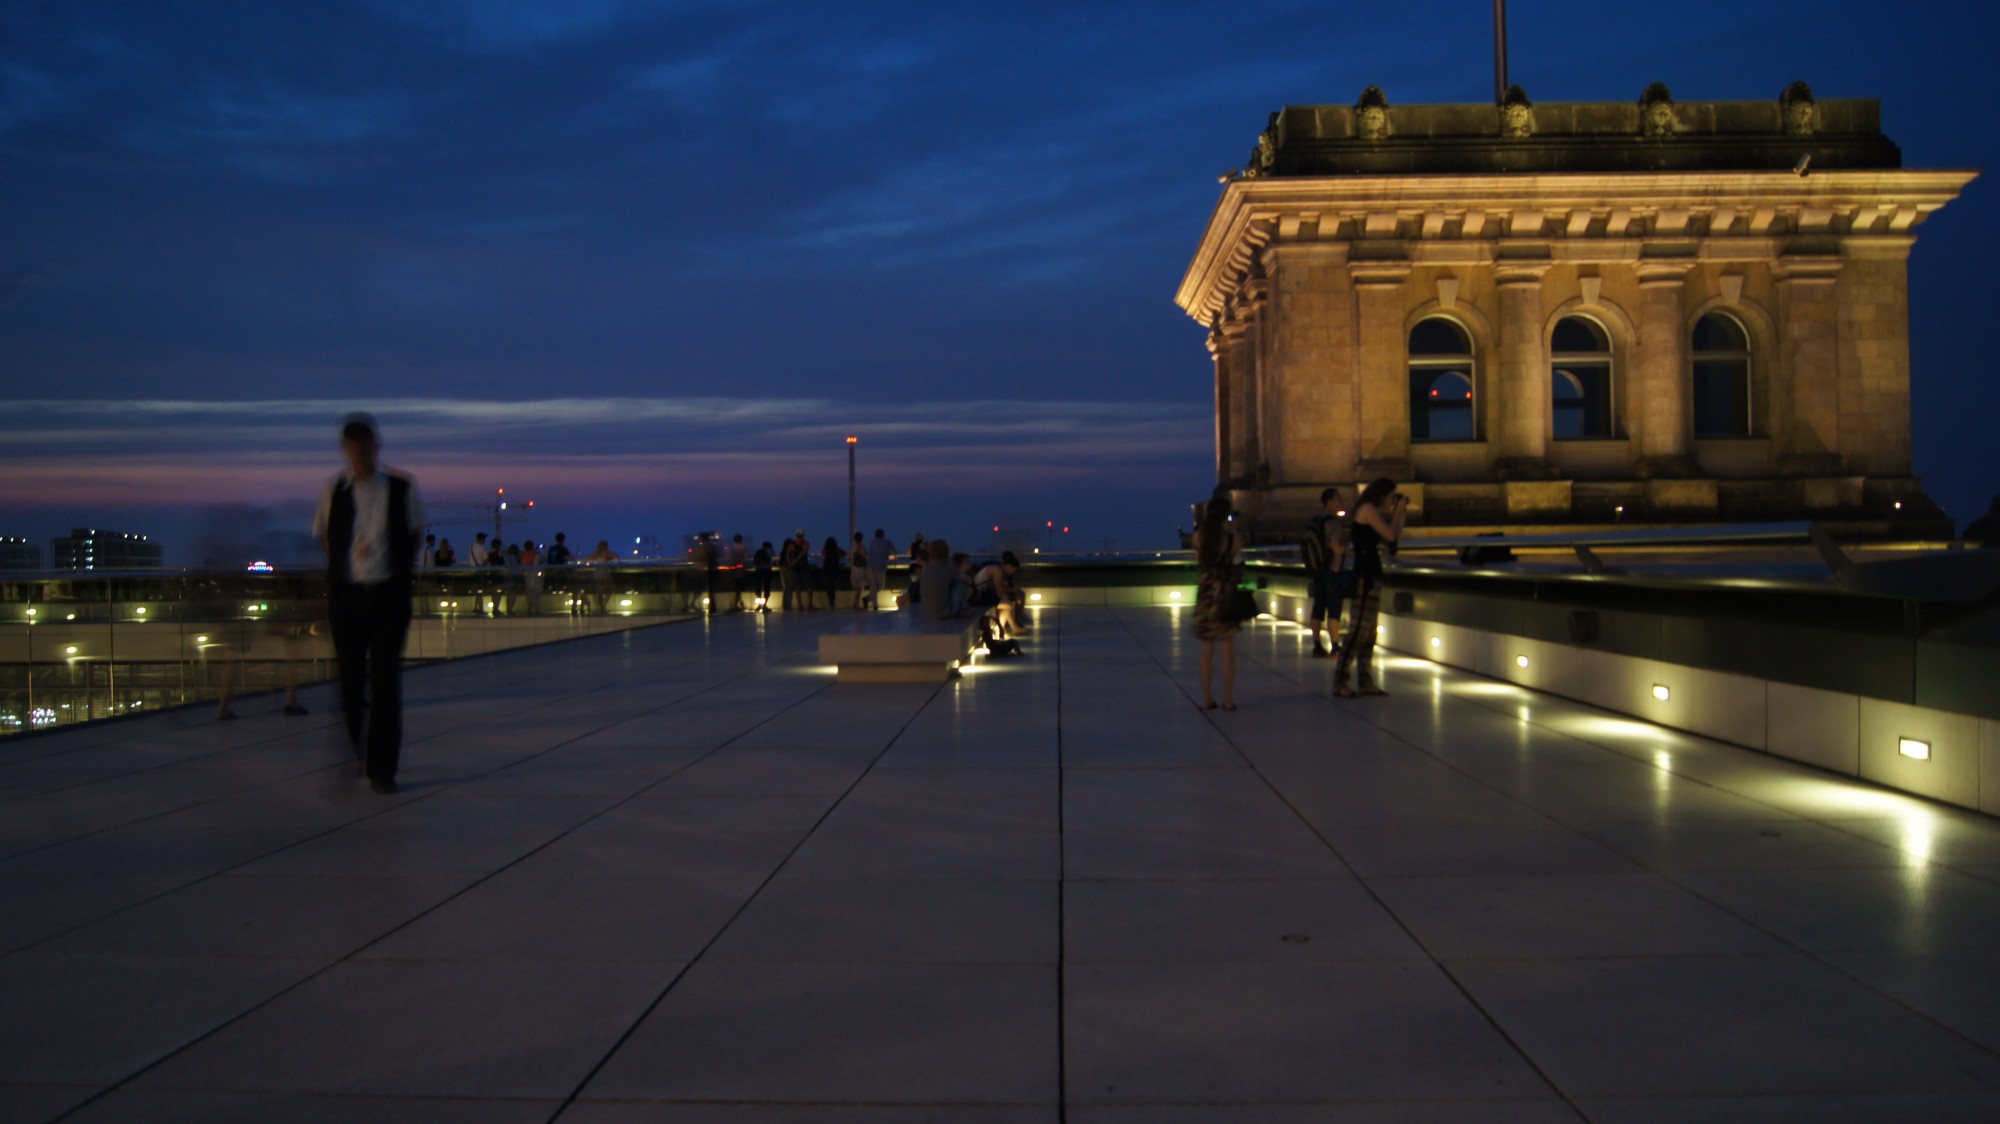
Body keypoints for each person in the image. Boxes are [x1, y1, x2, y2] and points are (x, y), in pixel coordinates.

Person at [312, 413, 423, 794]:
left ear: (376, 447)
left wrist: (395, 573)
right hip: (348, 598)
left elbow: (413, 535)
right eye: (355, 450)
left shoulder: (400, 488)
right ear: (346, 450)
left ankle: (382, 770)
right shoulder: (333, 491)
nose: (361, 457)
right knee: (350, 683)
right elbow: (326, 537)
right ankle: (359, 749)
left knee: (386, 682)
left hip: (388, 597)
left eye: (366, 449)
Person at [1333, 478, 1409, 699]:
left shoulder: (1371, 510)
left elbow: (1392, 541)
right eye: (1390, 495)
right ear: (1382, 493)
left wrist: (1399, 513)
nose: (1390, 500)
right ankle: (1340, 681)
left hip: (1372, 574)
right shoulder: (1367, 509)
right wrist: (1399, 510)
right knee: (1358, 632)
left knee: (1369, 633)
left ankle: (1365, 681)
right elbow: (1390, 535)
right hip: (1364, 577)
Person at [1191, 493, 1241, 711]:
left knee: (1206, 649)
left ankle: (1206, 699)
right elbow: (1237, 564)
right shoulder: (1232, 539)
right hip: (1224, 596)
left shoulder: (1199, 537)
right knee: (1228, 651)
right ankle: (1228, 701)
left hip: (1205, 596)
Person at [1305, 487, 1349, 658]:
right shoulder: (1334, 522)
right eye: (1338, 498)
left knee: (1318, 607)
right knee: (1334, 609)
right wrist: (1345, 549)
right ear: (1329, 500)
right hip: (1332, 569)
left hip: (1317, 569)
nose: (1341, 501)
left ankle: (1317, 645)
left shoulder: (1315, 520)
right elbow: (1335, 545)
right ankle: (1335, 647)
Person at [918, 539, 971, 619]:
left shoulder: (926, 569)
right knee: (959, 584)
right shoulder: (948, 568)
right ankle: (961, 610)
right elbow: (967, 580)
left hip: (926, 612)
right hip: (943, 614)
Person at [584, 538, 619, 613]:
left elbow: (589, 559)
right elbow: (617, 558)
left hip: (598, 573)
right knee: (608, 590)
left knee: (600, 591)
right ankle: (603, 606)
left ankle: (601, 607)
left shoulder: (596, 553)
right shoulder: (607, 553)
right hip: (604, 574)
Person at [780, 531, 810, 610]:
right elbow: (803, 553)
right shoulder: (805, 544)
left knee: (789, 588)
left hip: (789, 569)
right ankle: (789, 605)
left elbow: (787, 557)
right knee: (793, 587)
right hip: (797, 568)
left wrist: (791, 563)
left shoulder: (788, 548)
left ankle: (787, 605)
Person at [868, 528, 893, 608]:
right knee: (881, 586)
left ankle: (874, 604)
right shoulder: (887, 542)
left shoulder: (871, 542)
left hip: (870, 566)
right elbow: (894, 552)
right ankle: (869, 600)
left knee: (873, 586)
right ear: (883, 535)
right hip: (881, 567)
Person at [821, 536, 846, 610]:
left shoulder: (825, 551)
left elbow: (823, 557)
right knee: (833, 587)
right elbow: (845, 553)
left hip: (827, 570)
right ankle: (832, 602)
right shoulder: (837, 550)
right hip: (835, 570)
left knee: (829, 588)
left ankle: (831, 602)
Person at [848, 532, 872, 610]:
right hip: (860, 569)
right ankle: (856, 604)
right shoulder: (860, 546)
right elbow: (864, 556)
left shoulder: (852, 546)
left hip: (854, 568)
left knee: (858, 587)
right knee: (860, 588)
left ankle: (855, 604)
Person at [752, 540, 775, 612]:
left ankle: (759, 605)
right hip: (767, 570)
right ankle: (765, 605)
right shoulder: (770, 551)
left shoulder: (759, 551)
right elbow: (773, 558)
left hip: (758, 570)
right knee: (767, 587)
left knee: (758, 587)